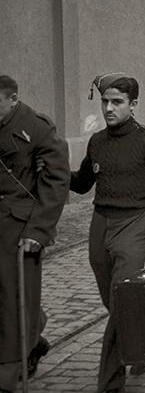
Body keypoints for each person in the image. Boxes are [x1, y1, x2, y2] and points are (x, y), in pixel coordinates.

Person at [70, 73, 145, 392]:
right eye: (105, 101)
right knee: (115, 301)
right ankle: (140, 342)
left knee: (120, 298)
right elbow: (82, 183)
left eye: (117, 102)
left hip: (134, 222)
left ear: (133, 104)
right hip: (100, 222)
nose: (108, 108)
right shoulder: (97, 142)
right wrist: (56, 170)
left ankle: (109, 382)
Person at [0, 75, 69, 393]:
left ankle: (8, 369)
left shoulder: (36, 126)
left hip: (20, 229)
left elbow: (57, 180)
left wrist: (39, 230)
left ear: (12, 99)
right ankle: (35, 336)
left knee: (14, 298)